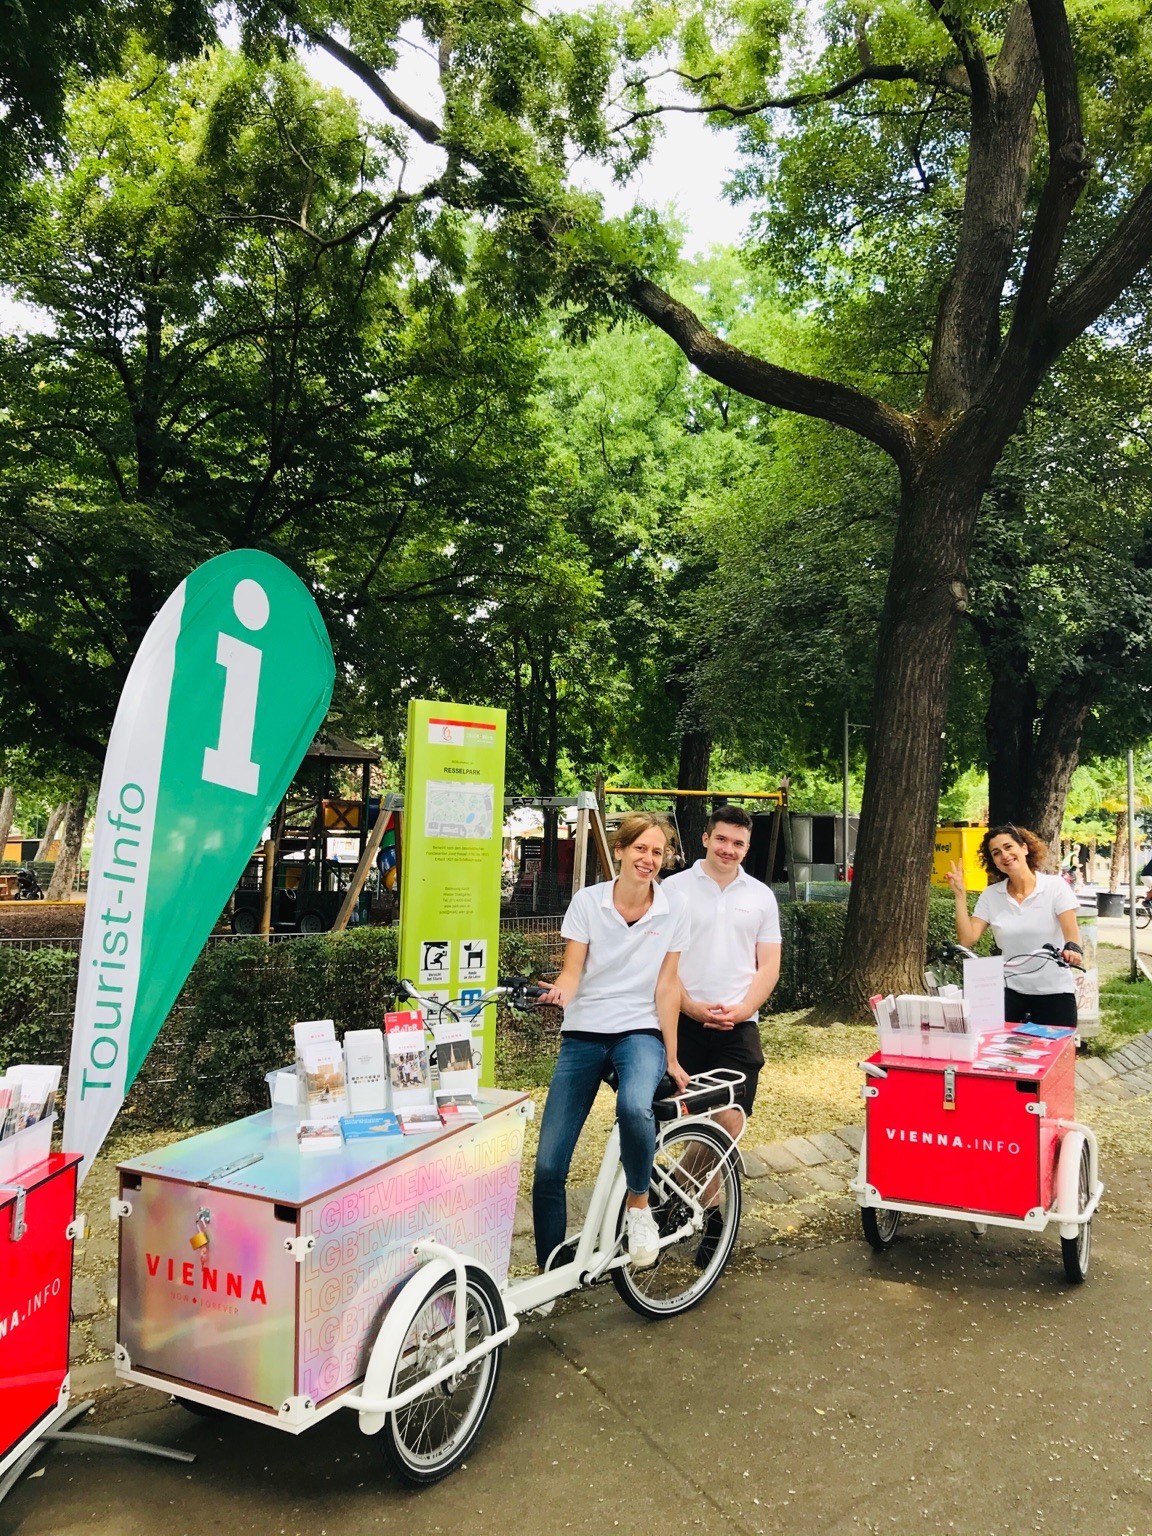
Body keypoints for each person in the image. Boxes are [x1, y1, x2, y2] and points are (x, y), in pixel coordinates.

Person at [533, 812, 690, 1271]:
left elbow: (667, 987)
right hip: (583, 1032)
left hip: (639, 1031)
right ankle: (549, 1274)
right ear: (619, 851)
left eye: (657, 852)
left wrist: (673, 1058)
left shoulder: (672, 909)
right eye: (640, 848)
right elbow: (572, 971)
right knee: (547, 1169)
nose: (649, 859)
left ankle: (638, 1209)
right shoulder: (588, 902)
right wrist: (561, 991)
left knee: (633, 1106)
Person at [662, 803, 781, 1139]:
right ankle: (685, 1191)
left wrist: (744, 1010)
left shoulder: (762, 896)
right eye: (721, 839)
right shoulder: (674, 890)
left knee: (730, 1119)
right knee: (677, 1117)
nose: (728, 849)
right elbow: (659, 961)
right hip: (681, 1021)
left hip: (738, 1026)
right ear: (705, 838)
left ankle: (690, 1190)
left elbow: (770, 965)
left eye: (738, 843)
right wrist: (688, 1005)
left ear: (747, 847)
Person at [946, 823, 1082, 1027]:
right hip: (1009, 991)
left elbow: (1071, 934)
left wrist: (1072, 950)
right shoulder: (991, 895)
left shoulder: (1054, 887)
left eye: (1009, 847)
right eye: (996, 853)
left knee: (1056, 1055)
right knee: (1001, 1054)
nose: (1005, 855)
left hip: (1054, 991)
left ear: (1024, 848)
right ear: (995, 863)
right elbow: (968, 938)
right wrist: (959, 895)